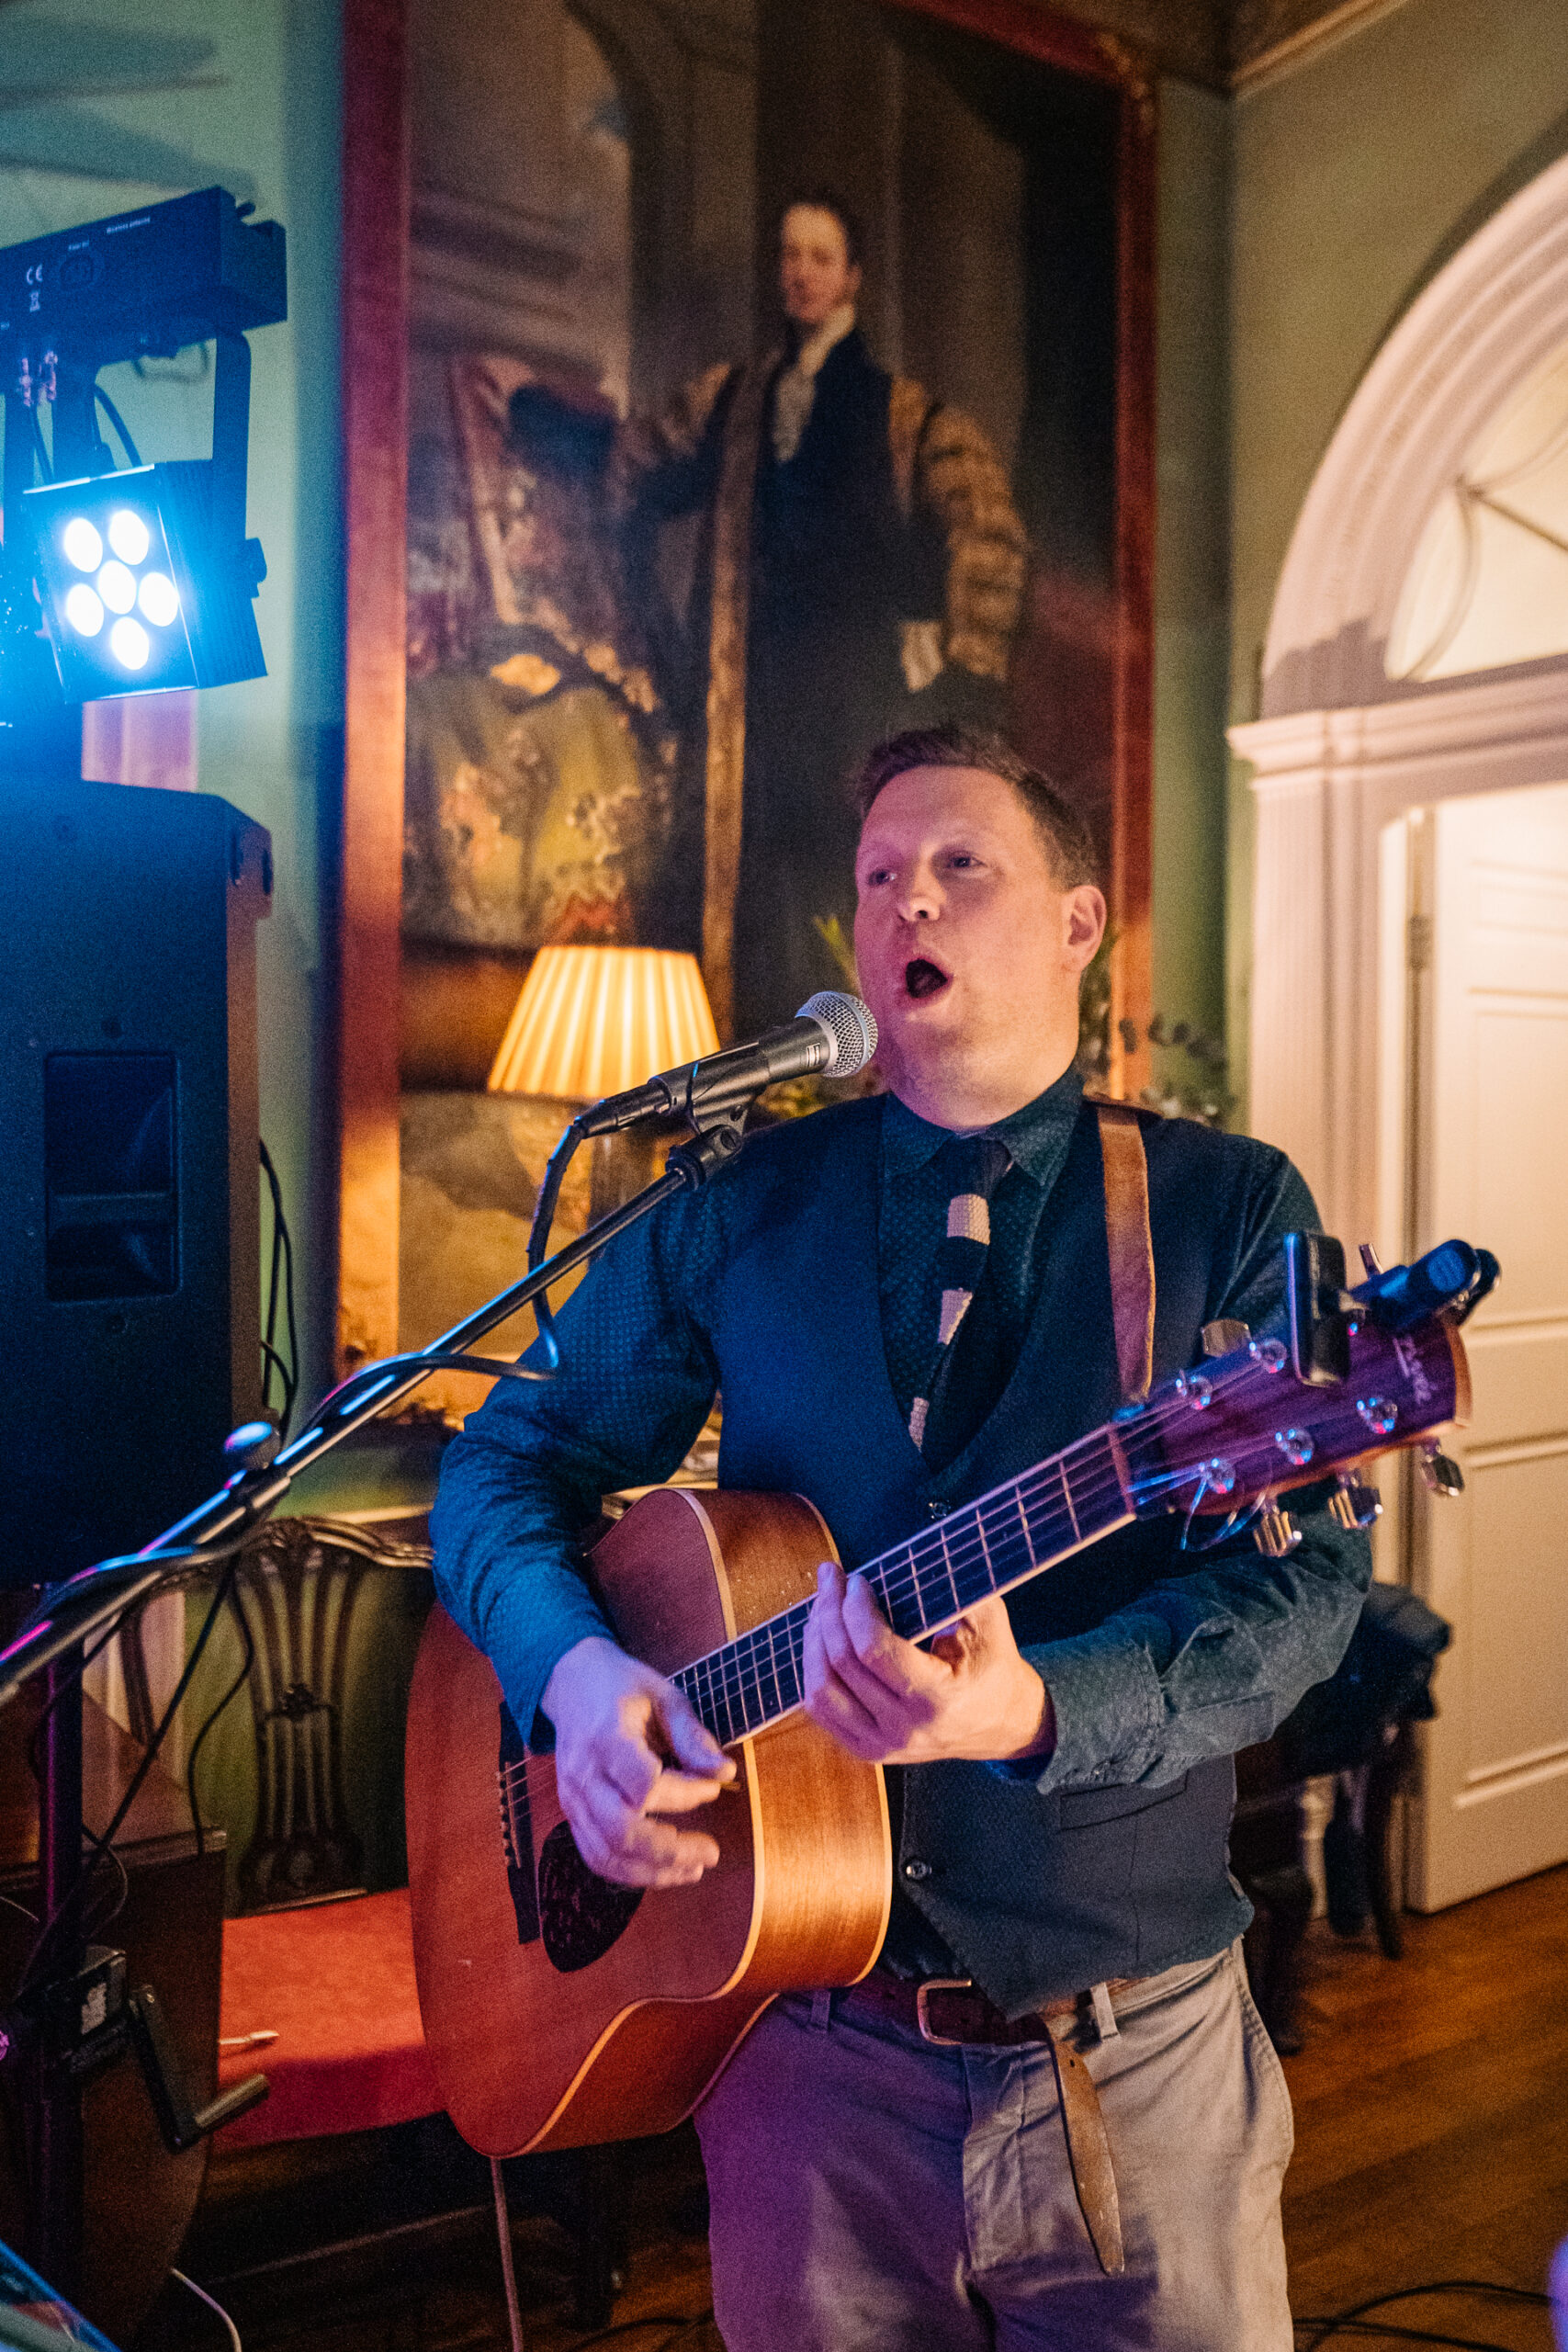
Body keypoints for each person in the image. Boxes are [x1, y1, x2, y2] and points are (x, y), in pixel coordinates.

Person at [430, 723, 1373, 2350]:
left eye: (957, 868)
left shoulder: (1224, 1206)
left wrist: (1035, 1708)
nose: (905, 906)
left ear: (1077, 923)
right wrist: (573, 1678)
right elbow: (508, 1464)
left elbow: (1301, 1597)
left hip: (1131, 2055)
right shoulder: (733, 1204)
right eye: (877, 879)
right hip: (800, 2062)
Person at [612, 196, 1028, 1039]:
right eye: (790, 255)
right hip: (745, 692)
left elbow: (989, 536)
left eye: (820, 257)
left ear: (852, 277)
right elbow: (632, 469)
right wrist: (656, 628)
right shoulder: (730, 399)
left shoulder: (902, 415)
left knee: (838, 879)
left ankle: (838, 1076)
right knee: (740, 882)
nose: (800, 272)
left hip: (852, 699)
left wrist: (961, 673)